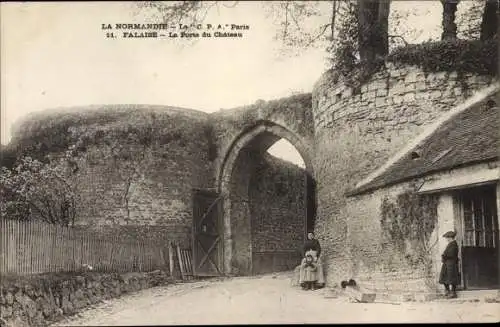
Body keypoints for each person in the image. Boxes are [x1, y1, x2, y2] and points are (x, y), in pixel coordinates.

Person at [439, 230, 460, 299]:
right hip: (447, 263)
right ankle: (447, 291)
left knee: (452, 278)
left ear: (451, 238)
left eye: (447, 238)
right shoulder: (450, 244)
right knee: (444, 277)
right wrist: (444, 256)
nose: (446, 239)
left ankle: (453, 293)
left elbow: (451, 254)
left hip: (451, 264)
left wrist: (444, 255)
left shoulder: (454, 244)